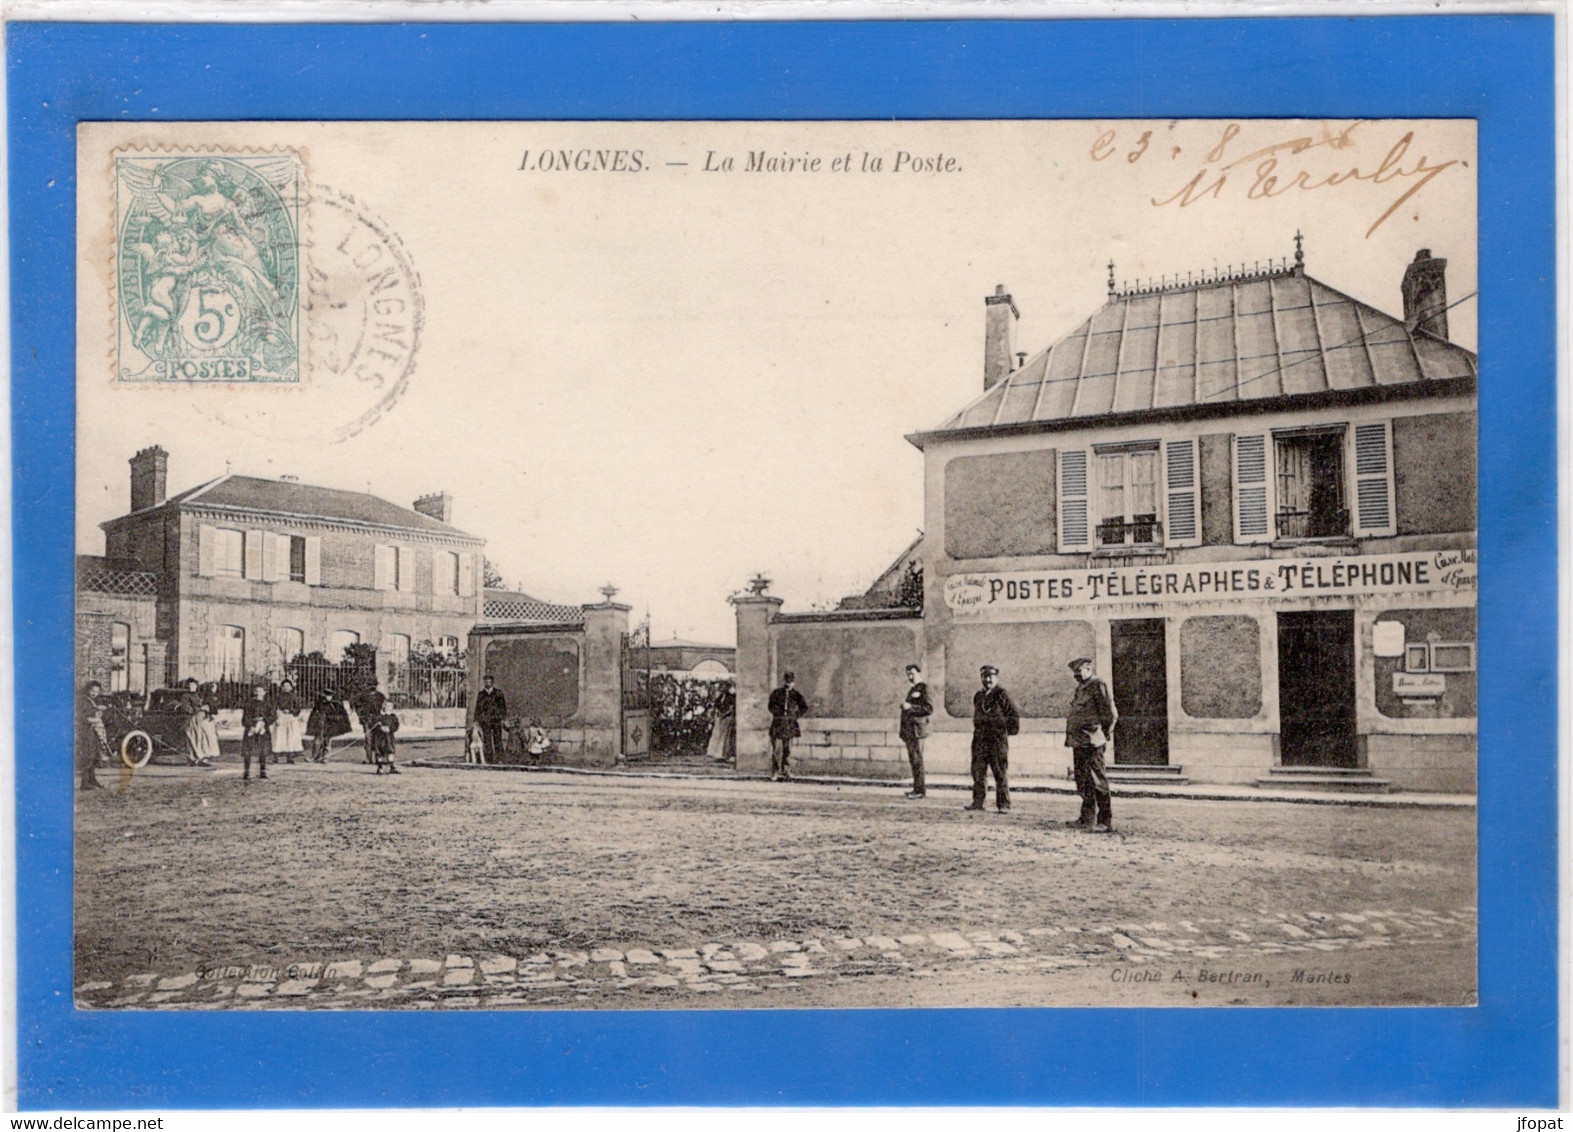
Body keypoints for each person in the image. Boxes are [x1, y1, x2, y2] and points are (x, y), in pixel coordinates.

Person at [1064, 656, 1117, 833]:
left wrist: (1103, 733)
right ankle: (1086, 818)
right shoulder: (1081, 688)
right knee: (1083, 780)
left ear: (1088, 669)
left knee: (1097, 781)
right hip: (1079, 741)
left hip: (1092, 741)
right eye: (1074, 672)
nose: (1076, 675)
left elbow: (1109, 713)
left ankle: (1104, 820)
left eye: (1078, 671)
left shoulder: (1097, 684)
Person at [967, 665, 1018, 813]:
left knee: (999, 772)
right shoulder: (979, 696)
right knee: (978, 771)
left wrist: (1005, 733)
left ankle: (1003, 804)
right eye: (985, 676)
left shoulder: (1002, 694)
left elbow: (1013, 714)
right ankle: (978, 802)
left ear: (996, 678)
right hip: (980, 739)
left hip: (996, 740)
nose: (988, 680)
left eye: (991, 677)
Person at [898, 663, 933, 799]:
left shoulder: (924, 688)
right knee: (914, 760)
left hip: (917, 730)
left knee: (917, 760)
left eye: (912, 673)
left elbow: (929, 708)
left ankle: (920, 791)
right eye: (908, 674)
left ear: (919, 673)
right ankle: (916, 789)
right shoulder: (913, 689)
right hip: (910, 731)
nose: (910, 676)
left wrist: (910, 707)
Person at [767, 671, 809, 781]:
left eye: (790, 682)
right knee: (776, 749)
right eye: (787, 682)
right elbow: (770, 705)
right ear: (784, 681)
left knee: (788, 750)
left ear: (793, 683)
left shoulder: (796, 695)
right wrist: (777, 714)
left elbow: (804, 707)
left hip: (790, 725)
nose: (788, 684)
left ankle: (786, 770)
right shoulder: (776, 693)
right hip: (778, 724)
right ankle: (775, 771)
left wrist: (795, 716)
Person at [240, 683, 277, 782]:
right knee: (248, 750)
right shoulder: (249, 703)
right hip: (251, 727)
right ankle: (246, 771)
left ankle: (262, 771)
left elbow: (273, 716)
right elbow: (245, 717)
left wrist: (264, 722)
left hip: (263, 728)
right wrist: (250, 726)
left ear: (265, 692)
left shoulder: (268, 704)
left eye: (261, 691)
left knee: (263, 750)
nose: (258, 693)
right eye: (256, 691)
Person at [76, 680, 107, 790]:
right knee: (87, 755)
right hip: (85, 731)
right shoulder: (83, 701)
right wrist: (89, 719)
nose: (94, 693)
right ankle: (84, 783)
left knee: (94, 755)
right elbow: (79, 715)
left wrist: (97, 711)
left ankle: (92, 780)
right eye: (92, 691)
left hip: (92, 731)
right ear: (88, 690)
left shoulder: (91, 701)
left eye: (97, 691)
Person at [306, 689, 351, 763]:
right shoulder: (319, 703)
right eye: (326, 695)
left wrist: (332, 718)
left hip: (330, 725)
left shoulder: (336, 704)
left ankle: (325, 757)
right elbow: (314, 713)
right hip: (320, 724)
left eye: (330, 696)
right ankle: (315, 756)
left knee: (327, 741)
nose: (328, 697)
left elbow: (341, 715)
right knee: (317, 740)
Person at [350, 682, 387, 764]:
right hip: (367, 720)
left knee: (379, 739)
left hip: (378, 719)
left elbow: (385, 707)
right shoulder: (362, 696)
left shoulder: (380, 696)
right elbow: (356, 706)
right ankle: (368, 758)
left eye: (374, 684)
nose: (372, 686)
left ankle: (379, 758)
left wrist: (384, 716)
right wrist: (361, 716)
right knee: (368, 739)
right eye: (370, 684)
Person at [474, 674, 507, 765]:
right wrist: (477, 720)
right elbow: (478, 708)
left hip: (496, 720)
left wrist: (502, 718)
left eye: (489, 681)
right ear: (484, 683)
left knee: (498, 739)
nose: (488, 683)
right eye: (486, 681)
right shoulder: (481, 695)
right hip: (486, 721)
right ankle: (489, 759)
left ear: (492, 682)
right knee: (487, 740)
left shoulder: (498, 693)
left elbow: (503, 707)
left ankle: (500, 758)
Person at [271, 678, 305, 764]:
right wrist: (276, 717)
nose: (286, 687)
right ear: (281, 687)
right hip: (281, 717)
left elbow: (298, 708)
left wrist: (291, 711)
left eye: (288, 686)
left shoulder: (294, 696)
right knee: (279, 736)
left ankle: (290, 757)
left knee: (291, 736)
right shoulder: (277, 696)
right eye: (284, 686)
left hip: (290, 718)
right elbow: (273, 708)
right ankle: (276, 757)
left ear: (291, 687)